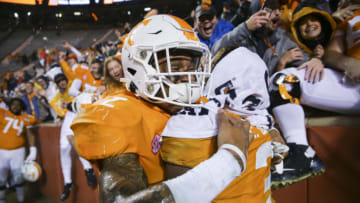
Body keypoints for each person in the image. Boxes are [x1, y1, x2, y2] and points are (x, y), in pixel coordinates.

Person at [71, 15, 251, 203]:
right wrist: (229, 161)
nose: (186, 78)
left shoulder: (202, 103)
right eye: (174, 67)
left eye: (191, 66)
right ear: (137, 69)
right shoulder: (121, 115)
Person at [58, 59, 103, 201]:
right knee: (64, 146)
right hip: (74, 111)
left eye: (97, 68)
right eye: (93, 67)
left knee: (76, 140)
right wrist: (86, 96)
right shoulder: (83, 73)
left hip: (88, 114)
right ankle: (68, 182)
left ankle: (87, 168)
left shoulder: (104, 82)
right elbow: (72, 90)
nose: (94, 70)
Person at [0, 98, 38, 203]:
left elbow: (30, 134)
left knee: (18, 177)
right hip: (1, 151)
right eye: (13, 104)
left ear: (22, 107)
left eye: (18, 104)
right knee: (1, 178)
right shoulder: (3, 113)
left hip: (18, 151)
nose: (15, 106)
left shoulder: (26, 118)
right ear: (9, 105)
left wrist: (33, 149)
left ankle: (20, 200)